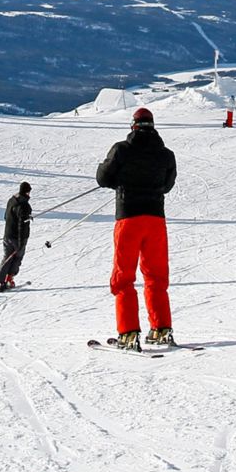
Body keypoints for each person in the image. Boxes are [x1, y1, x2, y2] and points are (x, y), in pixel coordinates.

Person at [97, 108, 178, 351]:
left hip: (128, 218)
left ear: (133, 126)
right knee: (156, 276)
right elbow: (167, 185)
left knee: (123, 277)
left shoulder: (122, 149)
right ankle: (161, 328)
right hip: (155, 219)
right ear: (152, 126)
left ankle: (129, 332)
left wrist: (121, 181)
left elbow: (102, 177)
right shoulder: (166, 155)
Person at [0, 182, 32, 293]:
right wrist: (20, 243)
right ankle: (9, 279)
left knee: (7, 258)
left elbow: (6, 216)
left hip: (7, 235)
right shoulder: (24, 205)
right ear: (27, 192)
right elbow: (21, 225)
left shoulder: (11, 200)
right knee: (17, 258)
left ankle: (0, 282)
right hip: (18, 238)